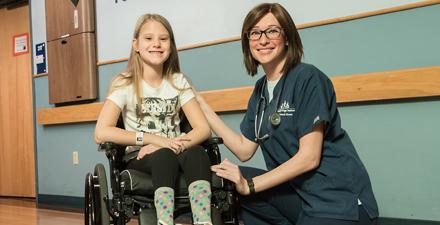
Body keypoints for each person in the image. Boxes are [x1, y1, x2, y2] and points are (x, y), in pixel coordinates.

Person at [195, 3, 379, 225]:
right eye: (255, 33)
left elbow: (309, 158)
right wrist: (201, 105)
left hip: (337, 201)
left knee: (244, 185)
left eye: (272, 31)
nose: (263, 40)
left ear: (287, 37)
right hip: (299, 197)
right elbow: (244, 149)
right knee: (225, 181)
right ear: (248, 42)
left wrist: (250, 185)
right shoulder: (261, 90)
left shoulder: (308, 78)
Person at [95, 14, 214, 225]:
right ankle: (164, 221)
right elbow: (101, 132)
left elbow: (203, 129)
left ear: (171, 45)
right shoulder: (124, 83)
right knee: (163, 156)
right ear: (136, 45)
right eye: (149, 38)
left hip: (177, 149)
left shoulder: (178, 81)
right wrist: (156, 141)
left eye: (164, 39)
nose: (157, 44)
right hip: (142, 157)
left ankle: (203, 221)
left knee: (197, 153)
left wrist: (174, 144)